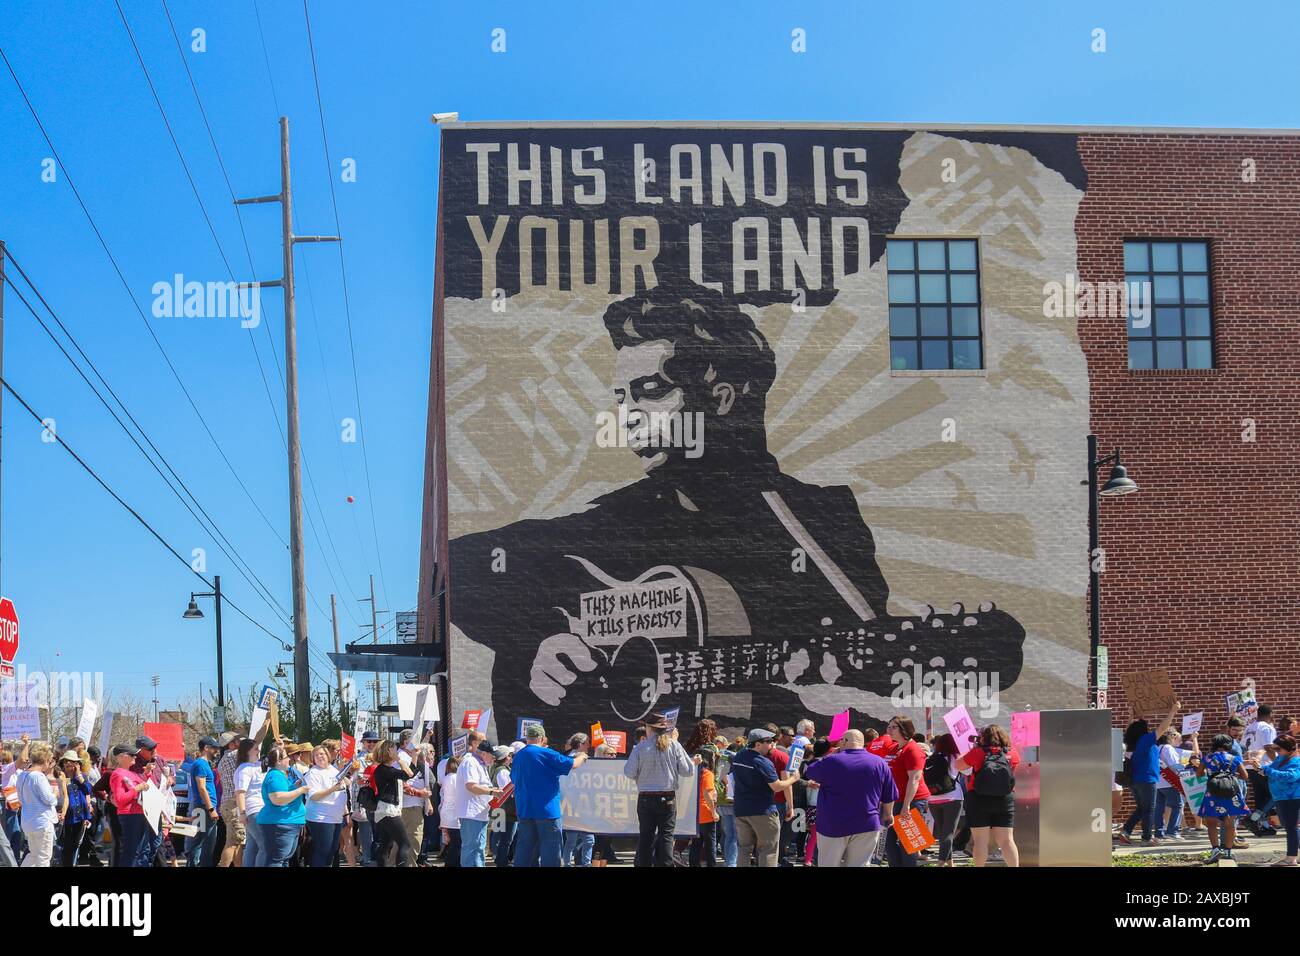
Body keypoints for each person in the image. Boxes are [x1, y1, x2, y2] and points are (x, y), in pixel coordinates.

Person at [800, 729, 896, 866]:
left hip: (833, 824)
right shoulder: (879, 762)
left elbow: (810, 772)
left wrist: (832, 754)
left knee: (829, 863)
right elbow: (889, 794)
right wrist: (888, 814)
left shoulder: (832, 761)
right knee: (860, 864)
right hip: (867, 823)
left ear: (844, 741)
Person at [624, 713, 697, 867]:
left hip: (645, 798)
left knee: (646, 837)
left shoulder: (640, 748)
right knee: (666, 837)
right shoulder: (674, 745)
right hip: (668, 798)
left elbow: (629, 773)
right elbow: (688, 771)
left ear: (649, 728)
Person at [512, 723, 585, 867]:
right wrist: (582, 756)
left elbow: (513, 779)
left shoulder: (518, 756)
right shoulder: (546, 753)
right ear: (542, 738)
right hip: (547, 811)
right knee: (550, 851)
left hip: (525, 810)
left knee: (525, 849)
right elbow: (573, 764)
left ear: (527, 738)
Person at [730, 728, 800, 867]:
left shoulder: (738, 756)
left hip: (741, 810)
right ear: (757, 744)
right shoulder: (762, 762)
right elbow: (777, 786)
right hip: (763, 811)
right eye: (769, 741)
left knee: (743, 849)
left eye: (773, 741)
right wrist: (794, 778)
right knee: (768, 850)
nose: (772, 744)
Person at [956, 724, 1022, 867]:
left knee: (980, 840)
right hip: (1005, 799)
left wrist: (972, 748)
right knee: (1007, 840)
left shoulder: (978, 752)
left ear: (983, 738)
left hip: (978, 798)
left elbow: (959, 766)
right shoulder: (1012, 753)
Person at [1116, 700, 1180, 846]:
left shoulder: (1130, 741)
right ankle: (1146, 838)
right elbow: (1163, 728)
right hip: (1147, 779)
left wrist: (1132, 716)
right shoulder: (1145, 740)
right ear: (1143, 731)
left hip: (1134, 780)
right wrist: (1172, 711)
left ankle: (1126, 831)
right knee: (1149, 808)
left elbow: (1129, 729)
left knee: (1142, 808)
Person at [882, 715, 932, 868]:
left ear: (904, 729)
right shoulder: (893, 747)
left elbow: (915, 778)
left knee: (908, 843)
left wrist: (906, 805)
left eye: (893, 727)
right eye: (889, 726)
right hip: (893, 800)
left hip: (911, 800)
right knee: (888, 842)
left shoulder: (913, 749)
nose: (888, 730)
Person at [1194, 733, 1250, 864]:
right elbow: (1245, 775)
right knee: (1230, 824)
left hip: (1213, 792)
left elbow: (1199, 774)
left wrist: (1213, 774)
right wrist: (1230, 776)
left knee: (1211, 823)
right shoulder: (1234, 758)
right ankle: (1228, 851)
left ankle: (1215, 849)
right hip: (1231, 793)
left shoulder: (1207, 758)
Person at [258, 745, 308, 866]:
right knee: (277, 860)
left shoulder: (278, 775)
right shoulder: (275, 775)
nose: (289, 759)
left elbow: (283, 794)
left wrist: (294, 787)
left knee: (283, 859)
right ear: (279, 761)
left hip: (286, 823)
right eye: (286, 757)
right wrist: (300, 790)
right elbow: (278, 799)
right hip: (280, 824)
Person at [1254, 734, 1300, 866]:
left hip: (1291, 798)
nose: (1275, 751)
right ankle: (1292, 856)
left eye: (1278, 749)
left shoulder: (1296, 761)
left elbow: (1291, 776)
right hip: (1280, 797)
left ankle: (1291, 859)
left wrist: (1268, 770)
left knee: (1291, 827)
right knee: (1288, 826)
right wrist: (1261, 769)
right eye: (1274, 748)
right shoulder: (1281, 758)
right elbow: (1271, 770)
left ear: (1289, 748)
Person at [456, 740, 501, 867]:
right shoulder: (470, 762)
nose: (494, 759)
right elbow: (471, 786)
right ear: (484, 754)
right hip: (471, 813)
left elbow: (479, 786)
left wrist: (492, 791)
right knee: (472, 847)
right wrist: (492, 792)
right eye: (493, 756)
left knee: (479, 847)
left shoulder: (480, 763)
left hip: (478, 812)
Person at [371, 739, 416, 867]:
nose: (397, 752)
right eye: (394, 750)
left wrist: (414, 756)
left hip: (385, 810)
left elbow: (409, 772)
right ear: (389, 752)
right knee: (405, 844)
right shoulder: (384, 770)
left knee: (385, 846)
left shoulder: (386, 769)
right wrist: (398, 759)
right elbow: (409, 774)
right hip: (388, 810)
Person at [304, 744, 349, 867]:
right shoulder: (313, 773)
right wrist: (333, 789)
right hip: (320, 817)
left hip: (336, 816)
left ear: (327, 755)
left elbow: (346, 784)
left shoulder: (333, 769)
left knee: (332, 851)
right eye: (316, 755)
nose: (320, 757)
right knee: (323, 851)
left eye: (322, 754)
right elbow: (314, 796)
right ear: (313, 759)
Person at [17, 742, 58, 867]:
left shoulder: (22, 774)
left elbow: (20, 797)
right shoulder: (38, 776)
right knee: (44, 857)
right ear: (45, 760)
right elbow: (49, 799)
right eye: (49, 760)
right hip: (42, 821)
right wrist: (55, 793)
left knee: (34, 855)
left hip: (28, 821)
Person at [925, 733, 963, 866]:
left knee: (942, 833)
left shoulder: (932, 757)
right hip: (952, 797)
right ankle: (940, 863)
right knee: (948, 833)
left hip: (933, 798)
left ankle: (950, 863)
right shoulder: (954, 757)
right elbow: (969, 771)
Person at [184, 736, 221, 867]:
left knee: (207, 843)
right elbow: (202, 787)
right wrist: (211, 809)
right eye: (214, 748)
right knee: (198, 842)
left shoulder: (204, 764)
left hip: (205, 808)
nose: (217, 751)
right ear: (206, 748)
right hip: (203, 808)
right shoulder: (200, 764)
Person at [55, 750, 94, 867]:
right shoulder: (60, 777)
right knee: (66, 846)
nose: (70, 765)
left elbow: (88, 790)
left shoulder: (81, 777)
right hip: (67, 816)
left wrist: (79, 776)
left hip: (80, 816)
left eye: (73, 762)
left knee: (75, 844)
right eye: (67, 762)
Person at [562, 733, 596, 866]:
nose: (589, 745)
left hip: (583, 804)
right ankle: (568, 864)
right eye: (587, 742)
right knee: (573, 840)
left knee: (588, 839)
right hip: (573, 804)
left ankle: (583, 864)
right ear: (581, 744)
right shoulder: (570, 759)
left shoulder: (587, 760)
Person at [233, 738, 266, 867]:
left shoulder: (258, 765)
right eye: (256, 749)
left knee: (253, 845)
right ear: (247, 752)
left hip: (260, 809)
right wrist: (242, 812)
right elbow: (240, 792)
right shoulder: (244, 769)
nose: (259, 751)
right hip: (253, 810)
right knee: (264, 844)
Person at [1155, 729, 1192, 841]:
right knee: (1177, 805)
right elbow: (1174, 765)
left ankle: (1159, 832)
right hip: (1169, 782)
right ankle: (1172, 831)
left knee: (1159, 808)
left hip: (1158, 782)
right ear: (1171, 736)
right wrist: (1184, 770)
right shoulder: (1168, 748)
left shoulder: (1157, 748)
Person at [214, 732, 244, 866]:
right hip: (233, 804)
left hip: (229, 803)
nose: (240, 742)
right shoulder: (233, 755)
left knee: (237, 842)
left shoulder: (223, 760)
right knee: (232, 843)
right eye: (237, 740)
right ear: (231, 744)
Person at [689, 746, 719, 866]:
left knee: (696, 844)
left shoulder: (693, 772)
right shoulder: (707, 773)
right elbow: (707, 794)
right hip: (706, 813)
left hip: (694, 813)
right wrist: (713, 812)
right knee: (710, 844)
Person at [489, 745, 516, 866]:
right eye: (510, 755)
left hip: (498, 808)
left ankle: (499, 858)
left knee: (499, 836)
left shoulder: (495, 768)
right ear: (506, 757)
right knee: (506, 838)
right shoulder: (503, 771)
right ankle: (501, 861)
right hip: (506, 810)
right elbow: (509, 791)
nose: (511, 757)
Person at [715, 740, 738, 867]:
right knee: (735, 836)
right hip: (733, 802)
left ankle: (728, 860)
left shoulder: (719, 764)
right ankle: (731, 863)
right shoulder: (734, 765)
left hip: (722, 802)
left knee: (729, 834)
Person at [438, 753, 463, 867]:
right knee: (456, 844)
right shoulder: (456, 778)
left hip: (446, 814)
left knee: (453, 843)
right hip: (454, 815)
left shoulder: (446, 778)